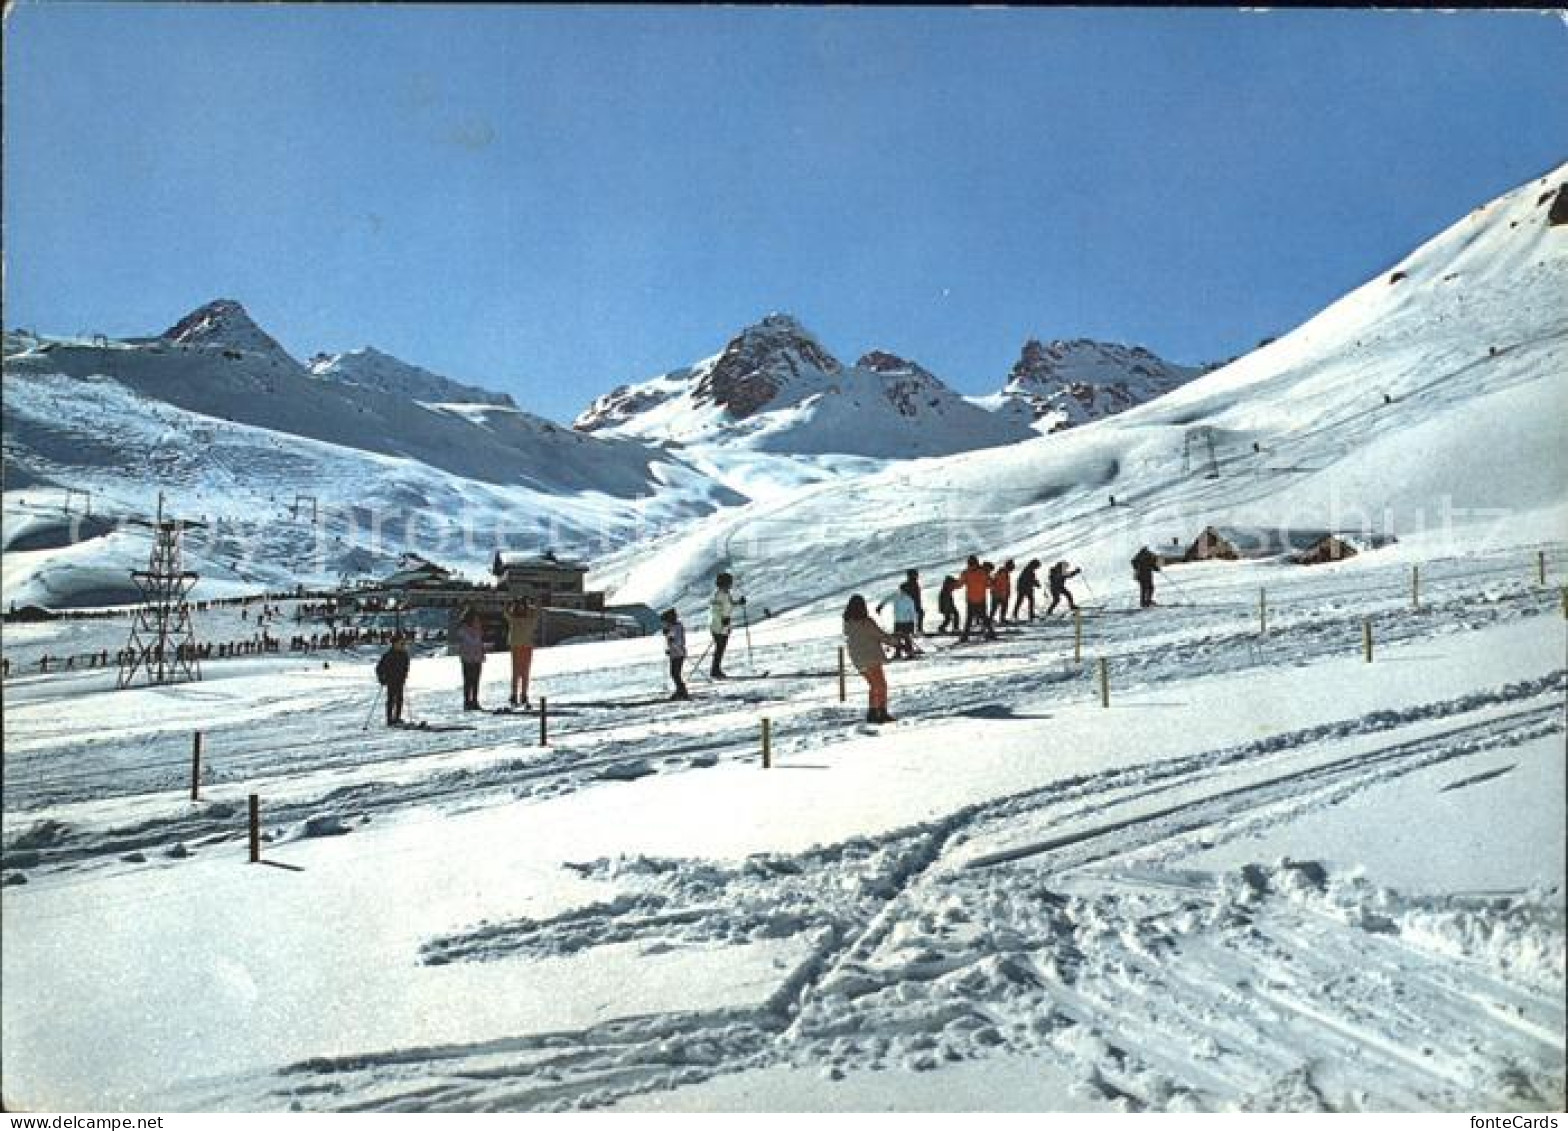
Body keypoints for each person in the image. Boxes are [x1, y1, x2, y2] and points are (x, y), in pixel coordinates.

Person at [843, 595, 898, 724]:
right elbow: (880, 635)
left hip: (857, 659)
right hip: (871, 657)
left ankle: (873, 712)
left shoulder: (848, 623)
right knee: (881, 685)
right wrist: (895, 641)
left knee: (874, 685)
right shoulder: (866, 622)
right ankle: (880, 712)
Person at [504, 597, 541, 708]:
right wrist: (510, 604)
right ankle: (514, 695)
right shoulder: (513, 618)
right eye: (519, 606)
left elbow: (537, 612)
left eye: (523, 606)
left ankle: (524, 694)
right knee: (516, 673)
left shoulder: (530, 618)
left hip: (527, 646)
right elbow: (506, 612)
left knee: (525, 673)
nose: (521, 608)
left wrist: (531, 605)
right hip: (516, 646)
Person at [709, 571, 745, 679]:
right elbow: (715, 610)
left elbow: (729, 605)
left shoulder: (726, 594)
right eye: (729, 582)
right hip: (717, 625)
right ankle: (715, 671)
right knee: (719, 647)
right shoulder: (718, 595)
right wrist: (723, 621)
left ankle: (716, 670)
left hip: (724, 624)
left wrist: (739, 602)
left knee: (721, 648)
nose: (731, 584)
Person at [876, 580, 921, 660]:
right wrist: (880, 606)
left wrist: (913, 623)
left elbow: (912, 612)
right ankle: (899, 653)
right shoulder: (899, 596)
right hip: (900, 621)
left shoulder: (908, 599)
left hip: (906, 621)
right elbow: (887, 599)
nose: (902, 591)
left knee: (905, 638)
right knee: (899, 638)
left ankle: (908, 652)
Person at [376, 633, 411, 726]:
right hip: (390, 680)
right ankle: (389, 719)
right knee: (391, 699)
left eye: (403, 643)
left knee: (399, 699)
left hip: (400, 680)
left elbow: (406, 667)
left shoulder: (404, 655)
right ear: (394, 643)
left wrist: (404, 676)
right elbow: (379, 668)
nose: (402, 644)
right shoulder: (388, 655)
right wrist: (381, 678)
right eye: (400, 643)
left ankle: (397, 718)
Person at [958, 557, 996, 642]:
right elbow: (988, 584)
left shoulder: (966, 573)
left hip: (971, 599)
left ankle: (965, 637)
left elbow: (960, 584)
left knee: (969, 619)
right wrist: (992, 584)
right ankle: (991, 633)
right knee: (984, 617)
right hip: (981, 599)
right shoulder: (982, 572)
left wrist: (951, 586)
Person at [455, 607, 486, 710]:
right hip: (467, 658)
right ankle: (467, 701)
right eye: (475, 619)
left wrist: (482, 653)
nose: (477, 621)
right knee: (468, 681)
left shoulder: (479, 630)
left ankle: (475, 700)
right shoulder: (463, 630)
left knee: (476, 681)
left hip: (477, 658)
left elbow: (480, 643)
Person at [661, 608, 690, 700]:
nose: (665, 623)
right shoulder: (672, 627)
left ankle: (682, 691)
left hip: (679, 653)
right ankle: (680, 690)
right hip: (675, 653)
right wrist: (669, 648)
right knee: (674, 673)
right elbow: (671, 640)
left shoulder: (676, 627)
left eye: (665, 621)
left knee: (675, 673)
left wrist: (671, 639)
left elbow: (679, 640)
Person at [990, 560, 1014, 626]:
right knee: (996, 607)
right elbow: (1001, 584)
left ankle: (999, 619)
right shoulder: (1003, 573)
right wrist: (1003, 594)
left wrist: (1007, 593)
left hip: (998, 593)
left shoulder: (1004, 572)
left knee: (999, 607)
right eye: (1012, 567)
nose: (1012, 569)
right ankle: (994, 620)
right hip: (998, 594)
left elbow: (1005, 585)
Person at [904, 569, 926, 635]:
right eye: (916, 575)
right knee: (918, 614)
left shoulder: (913, 584)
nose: (917, 576)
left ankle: (917, 629)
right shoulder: (911, 584)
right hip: (911, 604)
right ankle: (916, 630)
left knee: (920, 614)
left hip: (914, 604)